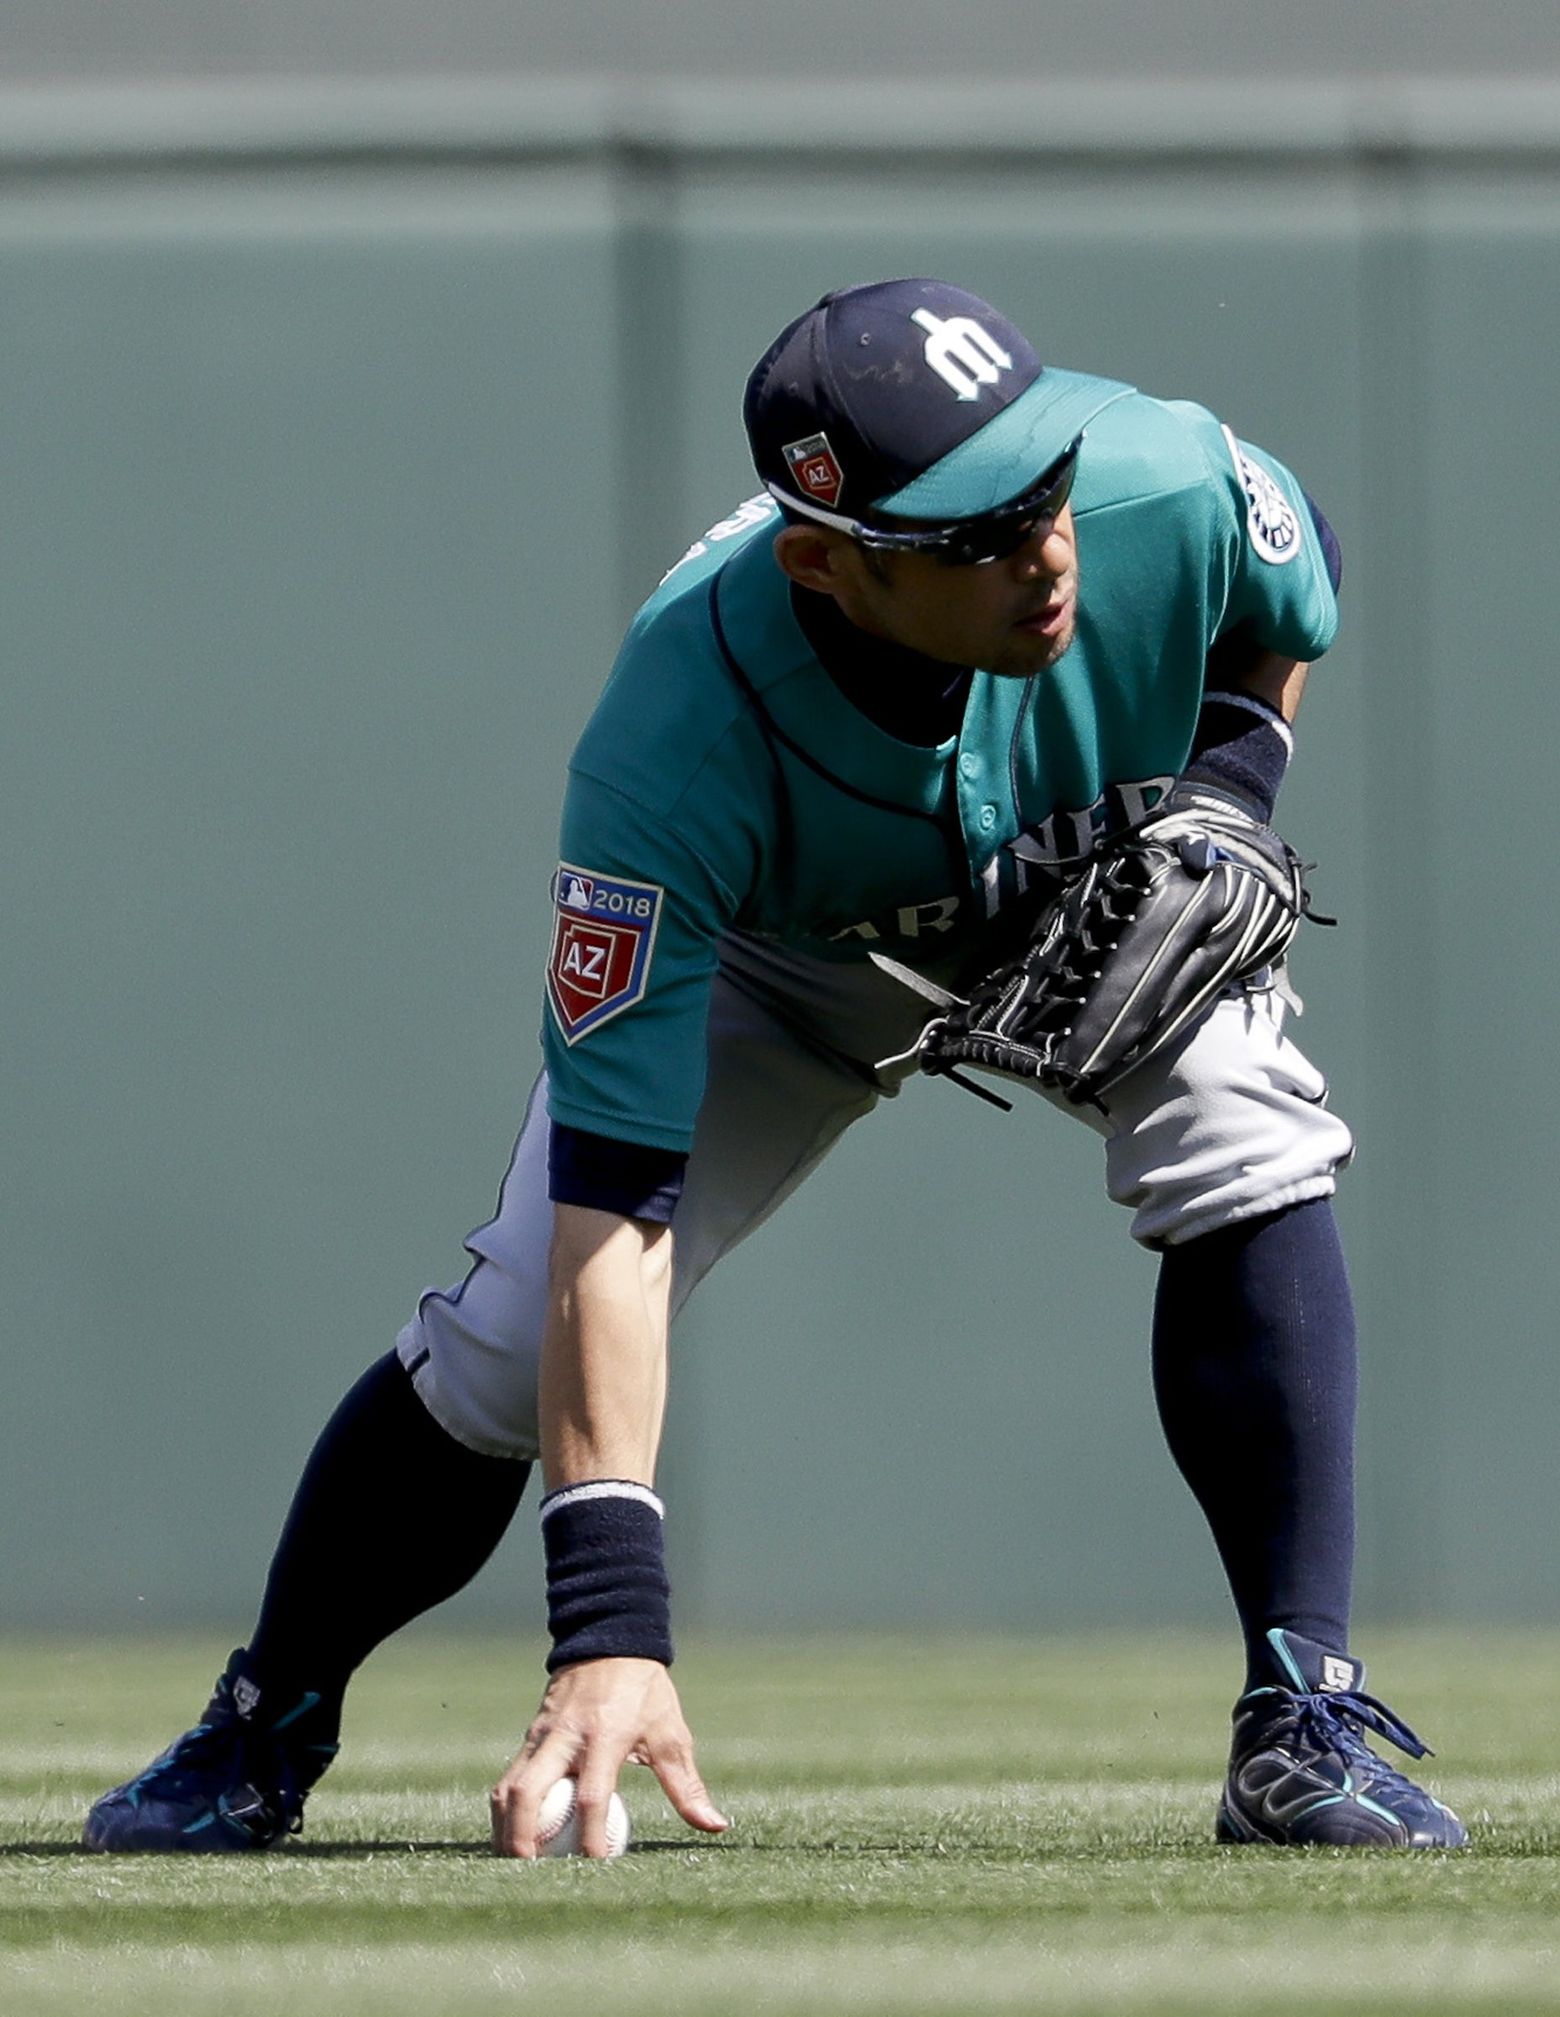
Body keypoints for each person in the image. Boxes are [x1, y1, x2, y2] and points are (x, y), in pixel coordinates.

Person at [84, 278, 1466, 1858]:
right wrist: (611, 1624)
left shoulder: (1153, 474)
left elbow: (1295, 588)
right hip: (790, 952)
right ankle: (265, 1723)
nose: (1043, 547)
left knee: (1242, 1127)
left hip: (1107, 866)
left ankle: (1302, 1709)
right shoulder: (672, 741)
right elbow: (617, 1204)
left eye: (1041, 488)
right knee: (498, 1332)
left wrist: (1229, 787)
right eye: (973, 531)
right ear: (823, 559)